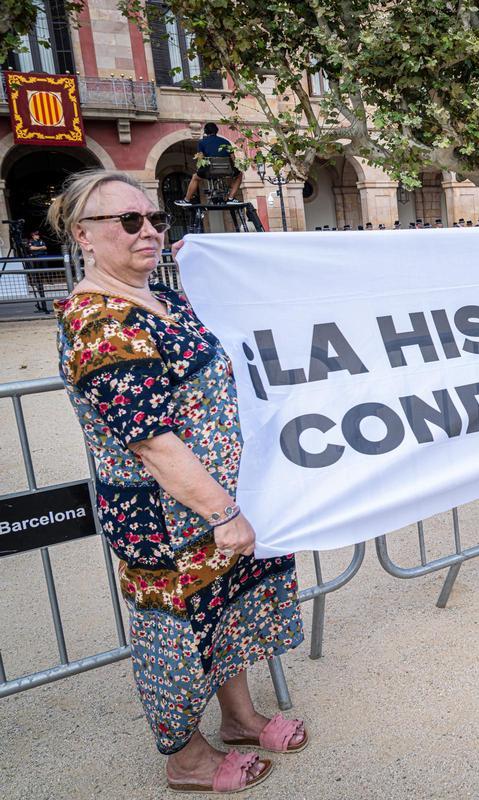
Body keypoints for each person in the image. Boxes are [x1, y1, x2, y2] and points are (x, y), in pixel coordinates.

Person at [47, 170, 306, 793]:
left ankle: (239, 718)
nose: (148, 231)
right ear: (84, 234)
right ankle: (186, 755)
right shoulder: (97, 322)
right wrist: (222, 512)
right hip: (167, 518)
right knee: (176, 631)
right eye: (128, 221)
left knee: (227, 612)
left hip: (215, 499)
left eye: (155, 219)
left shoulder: (165, 298)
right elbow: (152, 439)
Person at [179, 123, 242, 205]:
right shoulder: (226, 141)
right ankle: (231, 198)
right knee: (239, 175)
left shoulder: (202, 142)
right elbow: (233, 159)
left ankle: (187, 200)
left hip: (210, 171)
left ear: (205, 131)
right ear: (216, 131)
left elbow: (200, 158)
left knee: (195, 177)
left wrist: (199, 169)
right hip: (226, 170)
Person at [25, 229, 51, 312]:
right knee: (36, 274)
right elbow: (31, 248)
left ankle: (48, 279)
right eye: (36, 235)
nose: (38, 236)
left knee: (45, 271)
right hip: (35, 259)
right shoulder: (31, 241)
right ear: (33, 236)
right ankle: (35, 281)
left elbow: (45, 247)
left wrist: (38, 248)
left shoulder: (41, 241)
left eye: (38, 235)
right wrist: (40, 248)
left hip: (42, 258)